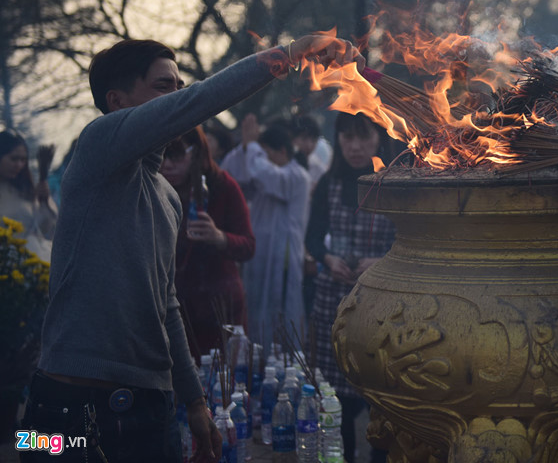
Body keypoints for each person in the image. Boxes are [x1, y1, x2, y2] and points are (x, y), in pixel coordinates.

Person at [22, 35, 363, 463]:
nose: (179, 97)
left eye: (180, 86)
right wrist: (292, 53)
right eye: (165, 87)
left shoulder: (166, 195)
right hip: (62, 413)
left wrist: (195, 402)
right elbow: (199, 102)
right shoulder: (96, 145)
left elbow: (166, 305)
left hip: (150, 410)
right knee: (29, 448)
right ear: (116, 101)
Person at [305, 112, 394, 463]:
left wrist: (382, 262)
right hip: (334, 300)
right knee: (335, 403)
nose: (354, 147)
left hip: (381, 305)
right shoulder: (330, 184)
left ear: (379, 138)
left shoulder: (394, 181)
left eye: (363, 137)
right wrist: (327, 259)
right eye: (346, 138)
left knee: (382, 403)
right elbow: (313, 237)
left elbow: (409, 240)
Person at [160, 126, 256, 360]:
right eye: (162, 156)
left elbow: (248, 246)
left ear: (195, 152)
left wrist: (219, 237)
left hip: (221, 306)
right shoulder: (156, 189)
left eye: (177, 155)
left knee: (222, 383)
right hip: (174, 308)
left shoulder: (223, 186)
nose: (168, 164)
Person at [221, 115, 311, 349]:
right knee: (255, 311)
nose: (259, 160)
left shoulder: (296, 176)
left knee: (281, 317)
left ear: (281, 151)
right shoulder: (263, 175)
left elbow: (268, 175)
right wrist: (244, 146)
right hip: (260, 257)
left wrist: (251, 146)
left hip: (283, 260)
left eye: (265, 153)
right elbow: (231, 173)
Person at [0, 130, 57, 262]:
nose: (19, 165)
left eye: (23, 160)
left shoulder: (27, 190)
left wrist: (43, 203)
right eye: (14, 159)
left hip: (31, 262)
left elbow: (47, 230)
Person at [290, 113, 333, 190]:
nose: (309, 145)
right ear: (293, 137)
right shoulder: (282, 162)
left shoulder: (318, 169)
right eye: (304, 138)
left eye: (313, 140)